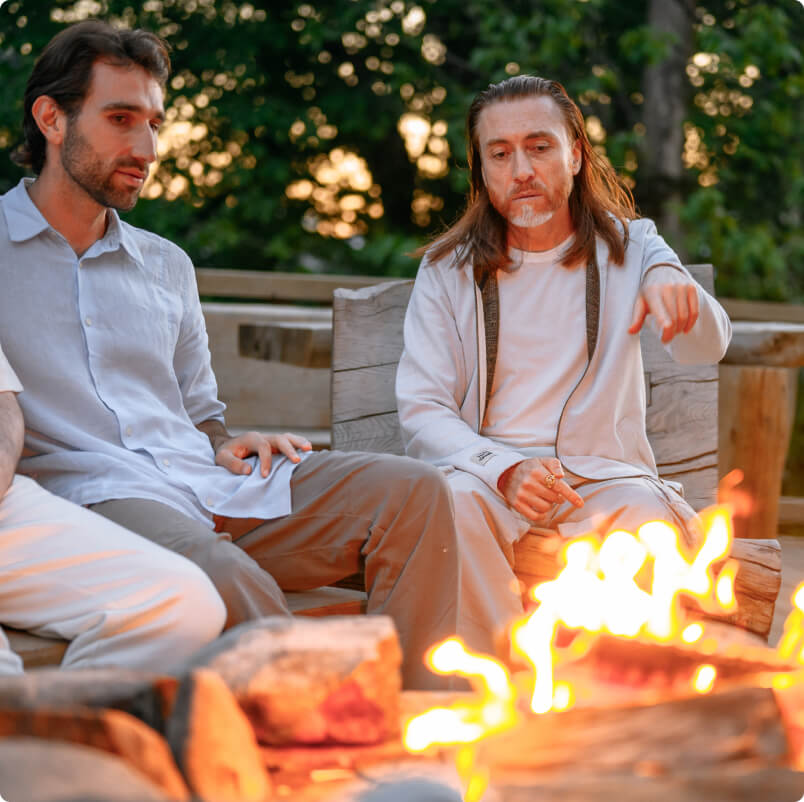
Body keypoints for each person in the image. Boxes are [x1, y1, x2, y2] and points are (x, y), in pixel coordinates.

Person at [0, 20, 493, 688]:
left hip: (202, 482)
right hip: (93, 496)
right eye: (120, 119)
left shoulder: (166, 265)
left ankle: (420, 711)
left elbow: (200, 417)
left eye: (154, 123)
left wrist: (227, 443)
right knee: (222, 572)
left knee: (415, 492)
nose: (146, 148)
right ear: (51, 119)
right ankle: (323, 720)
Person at [396, 75, 732, 630]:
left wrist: (677, 287)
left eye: (539, 147)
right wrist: (504, 468)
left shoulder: (634, 246)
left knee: (650, 523)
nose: (521, 170)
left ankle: (616, 681)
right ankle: (482, 675)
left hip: (606, 479)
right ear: (481, 169)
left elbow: (707, 349)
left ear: (575, 155)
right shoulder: (447, 269)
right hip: (486, 478)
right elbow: (423, 408)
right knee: (451, 506)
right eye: (500, 154)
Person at [0, 341, 226, 674]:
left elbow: (4, 406)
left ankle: (66, 709)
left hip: (8, 499)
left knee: (186, 603)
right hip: (96, 483)